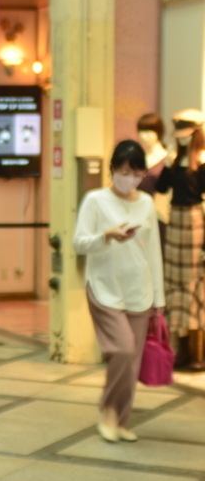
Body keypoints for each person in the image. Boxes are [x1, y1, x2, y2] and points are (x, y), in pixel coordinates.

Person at [73, 140, 165, 443]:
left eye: (136, 173)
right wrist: (106, 236)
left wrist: (159, 300)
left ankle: (121, 421)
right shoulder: (95, 200)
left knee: (132, 361)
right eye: (124, 171)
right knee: (123, 350)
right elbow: (79, 243)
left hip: (139, 291)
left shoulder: (147, 203)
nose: (130, 178)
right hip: (104, 288)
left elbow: (153, 253)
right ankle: (107, 412)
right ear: (112, 170)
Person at [155, 109, 205, 367]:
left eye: (186, 134)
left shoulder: (203, 161)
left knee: (193, 285)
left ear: (196, 133)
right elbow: (161, 188)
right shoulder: (175, 160)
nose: (182, 138)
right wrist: (166, 163)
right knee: (174, 284)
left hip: (195, 222)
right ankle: (181, 350)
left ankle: (196, 354)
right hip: (175, 221)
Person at [137, 113, 171, 244]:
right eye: (141, 131)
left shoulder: (167, 159)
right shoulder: (140, 158)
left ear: (159, 131)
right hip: (138, 212)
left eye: (148, 131)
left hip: (158, 214)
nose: (143, 135)